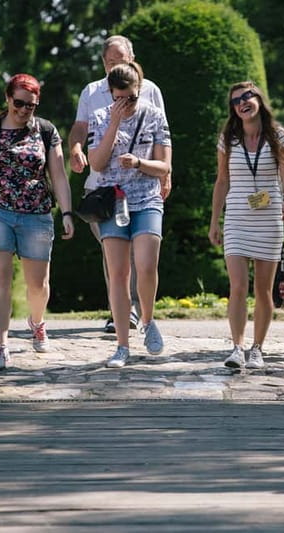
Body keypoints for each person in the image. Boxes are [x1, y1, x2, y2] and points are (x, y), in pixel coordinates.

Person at [0, 73, 75, 371]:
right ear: (7, 99)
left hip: (35, 213)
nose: (25, 110)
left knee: (38, 285)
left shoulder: (46, 131)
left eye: (31, 105)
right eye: (19, 104)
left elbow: (59, 176)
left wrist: (66, 212)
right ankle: (1, 345)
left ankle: (36, 323)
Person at [68, 35, 169, 334]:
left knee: (143, 255)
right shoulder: (93, 92)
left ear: (132, 59)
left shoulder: (150, 91)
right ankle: (120, 313)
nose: (116, 66)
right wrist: (76, 150)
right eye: (110, 62)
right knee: (114, 255)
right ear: (103, 63)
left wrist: (166, 174)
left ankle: (139, 311)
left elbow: (163, 137)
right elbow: (80, 128)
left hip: (143, 186)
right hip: (103, 188)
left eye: (121, 61)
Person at [87, 62, 171, 368]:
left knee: (147, 265)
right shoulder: (99, 117)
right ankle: (122, 345)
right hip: (113, 202)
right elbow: (96, 163)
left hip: (147, 198)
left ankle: (147, 320)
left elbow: (164, 166)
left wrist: (138, 163)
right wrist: (113, 124)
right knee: (119, 273)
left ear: (140, 89)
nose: (126, 104)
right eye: (119, 98)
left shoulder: (154, 115)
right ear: (111, 94)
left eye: (131, 98)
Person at [209, 82, 284, 370]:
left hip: (268, 217)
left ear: (259, 99)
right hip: (236, 217)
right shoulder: (228, 137)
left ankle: (257, 349)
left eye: (247, 96)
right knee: (237, 286)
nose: (242, 103)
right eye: (236, 101)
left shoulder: (277, 135)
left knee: (262, 289)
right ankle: (237, 347)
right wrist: (215, 221)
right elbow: (222, 181)